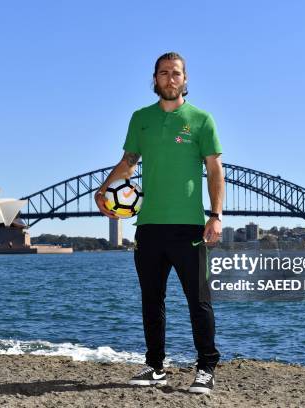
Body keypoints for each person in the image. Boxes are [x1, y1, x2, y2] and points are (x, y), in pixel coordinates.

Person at [95, 51, 224, 394]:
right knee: (152, 300)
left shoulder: (201, 120)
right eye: (164, 73)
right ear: (154, 79)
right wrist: (104, 189)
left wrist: (216, 215)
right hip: (149, 227)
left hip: (188, 228)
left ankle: (206, 368)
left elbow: (215, 170)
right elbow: (128, 162)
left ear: (186, 80)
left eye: (176, 73)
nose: (170, 78)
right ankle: (155, 367)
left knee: (198, 300)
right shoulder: (140, 119)